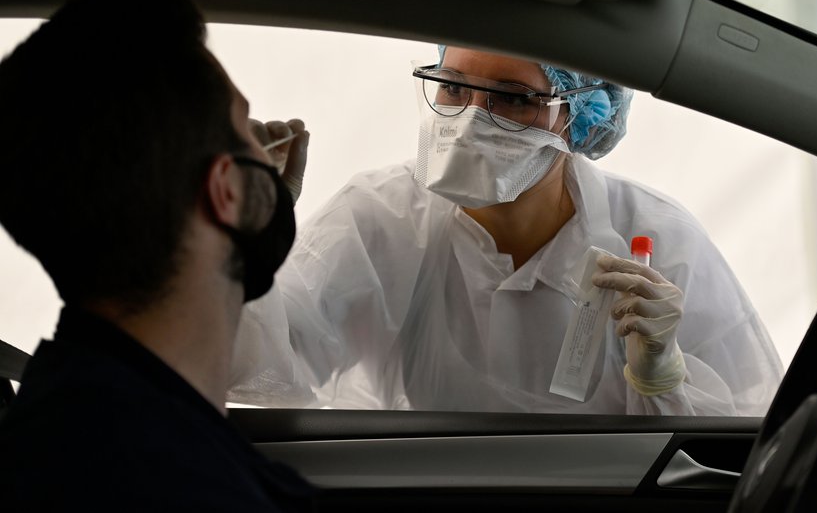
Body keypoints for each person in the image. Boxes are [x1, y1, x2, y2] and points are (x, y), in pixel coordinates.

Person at [229, 45, 784, 416]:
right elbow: (264, 370)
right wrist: (244, 246)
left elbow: (749, 440)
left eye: (513, 99)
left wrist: (665, 379)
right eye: (452, 88)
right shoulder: (381, 217)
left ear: (581, 115)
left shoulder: (657, 238)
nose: (470, 118)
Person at [0, 0, 316, 511]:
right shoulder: (174, 484)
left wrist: (259, 198)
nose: (267, 151)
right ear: (225, 190)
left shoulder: (76, 423)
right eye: (246, 130)